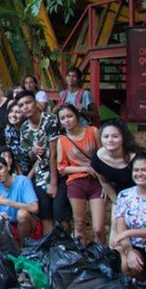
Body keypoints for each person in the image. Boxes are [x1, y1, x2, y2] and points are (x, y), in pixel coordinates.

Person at [17, 90, 67, 235]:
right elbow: (31, 156)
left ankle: (67, 249)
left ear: (36, 103)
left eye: (28, 102)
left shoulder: (50, 121)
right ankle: (48, 251)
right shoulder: (24, 128)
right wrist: (33, 150)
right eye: (21, 105)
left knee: (61, 215)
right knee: (46, 217)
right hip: (40, 177)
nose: (25, 107)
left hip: (58, 173)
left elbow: (53, 154)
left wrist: (54, 183)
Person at [56, 103, 104, 243]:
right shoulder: (62, 140)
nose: (67, 120)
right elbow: (62, 168)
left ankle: (104, 255)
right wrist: (86, 169)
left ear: (76, 116)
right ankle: (81, 258)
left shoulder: (93, 131)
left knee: (99, 228)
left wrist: (101, 175)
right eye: (63, 118)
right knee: (79, 224)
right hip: (76, 182)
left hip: (97, 181)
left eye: (70, 116)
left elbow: (103, 154)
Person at [0, 157, 40, 240]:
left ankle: (24, 248)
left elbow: (35, 208)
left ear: (8, 167)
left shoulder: (23, 181)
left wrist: (8, 202)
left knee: (22, 214)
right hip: (9, 226)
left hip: (29, 224)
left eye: (0, 168)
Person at [92, 119, 140, 201]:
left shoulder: (138, 158)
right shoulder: (97, 159)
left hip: (144, 193)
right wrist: (116, 203)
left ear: (123, 138)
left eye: (115, 136)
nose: (110, 140)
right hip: (121, 194)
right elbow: (104, 182)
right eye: (106, 136)